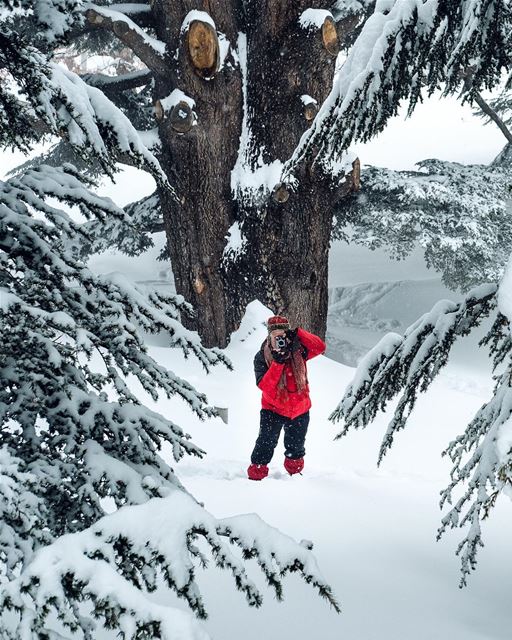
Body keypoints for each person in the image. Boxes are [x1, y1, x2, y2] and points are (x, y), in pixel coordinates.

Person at [247, 315, 326, 481]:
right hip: (273, 409)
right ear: (269, 335)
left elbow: (320, 347)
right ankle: (256, 476)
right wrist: (278, 362)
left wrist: (299, 334)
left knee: (296, 447)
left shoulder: (299, 349)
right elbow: (265, 386)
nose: (279, 338)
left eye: (282, 334)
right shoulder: (262, 356)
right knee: (265, 444)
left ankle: (295, 478)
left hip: (300, 409)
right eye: (275, 335)